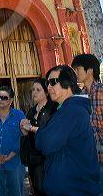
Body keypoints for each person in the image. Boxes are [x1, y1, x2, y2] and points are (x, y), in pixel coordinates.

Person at [35, 65, 100, 196]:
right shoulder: (68, 109)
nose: (48, 87)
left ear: (67, 83)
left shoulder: (71, 111)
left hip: (74, 189)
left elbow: (45, 143)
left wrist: (41, 131)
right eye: (47, 83)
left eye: (53, 82)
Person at [72, 54, 103, 195]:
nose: (75, 73)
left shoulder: (101, 92)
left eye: (78, 69)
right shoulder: (80, 97)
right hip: (88, 158)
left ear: (89, 70)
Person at [20, 78, 57, 196]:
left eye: (38, 90)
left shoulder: (53, 110)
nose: (34, 92)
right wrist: (24, 132)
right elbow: (27, 136)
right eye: (32, 90)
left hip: (48, 160)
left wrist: (31, 128)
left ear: (46, 92)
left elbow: (52, 133)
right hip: (33, 161)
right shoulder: (31, 111)